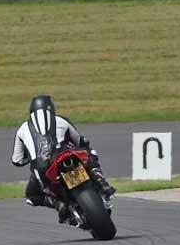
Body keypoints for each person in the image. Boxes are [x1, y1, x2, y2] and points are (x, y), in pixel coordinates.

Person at [11, 95, 116, 223]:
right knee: (90, 153)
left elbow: (17, 160)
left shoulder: (21, 129)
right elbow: (80, 140)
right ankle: (101, 182)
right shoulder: (61, 120)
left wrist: (32, 158)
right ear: (51, 108)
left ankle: (58, 204)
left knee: (32, 197)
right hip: (65, 155)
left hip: (42, 167)